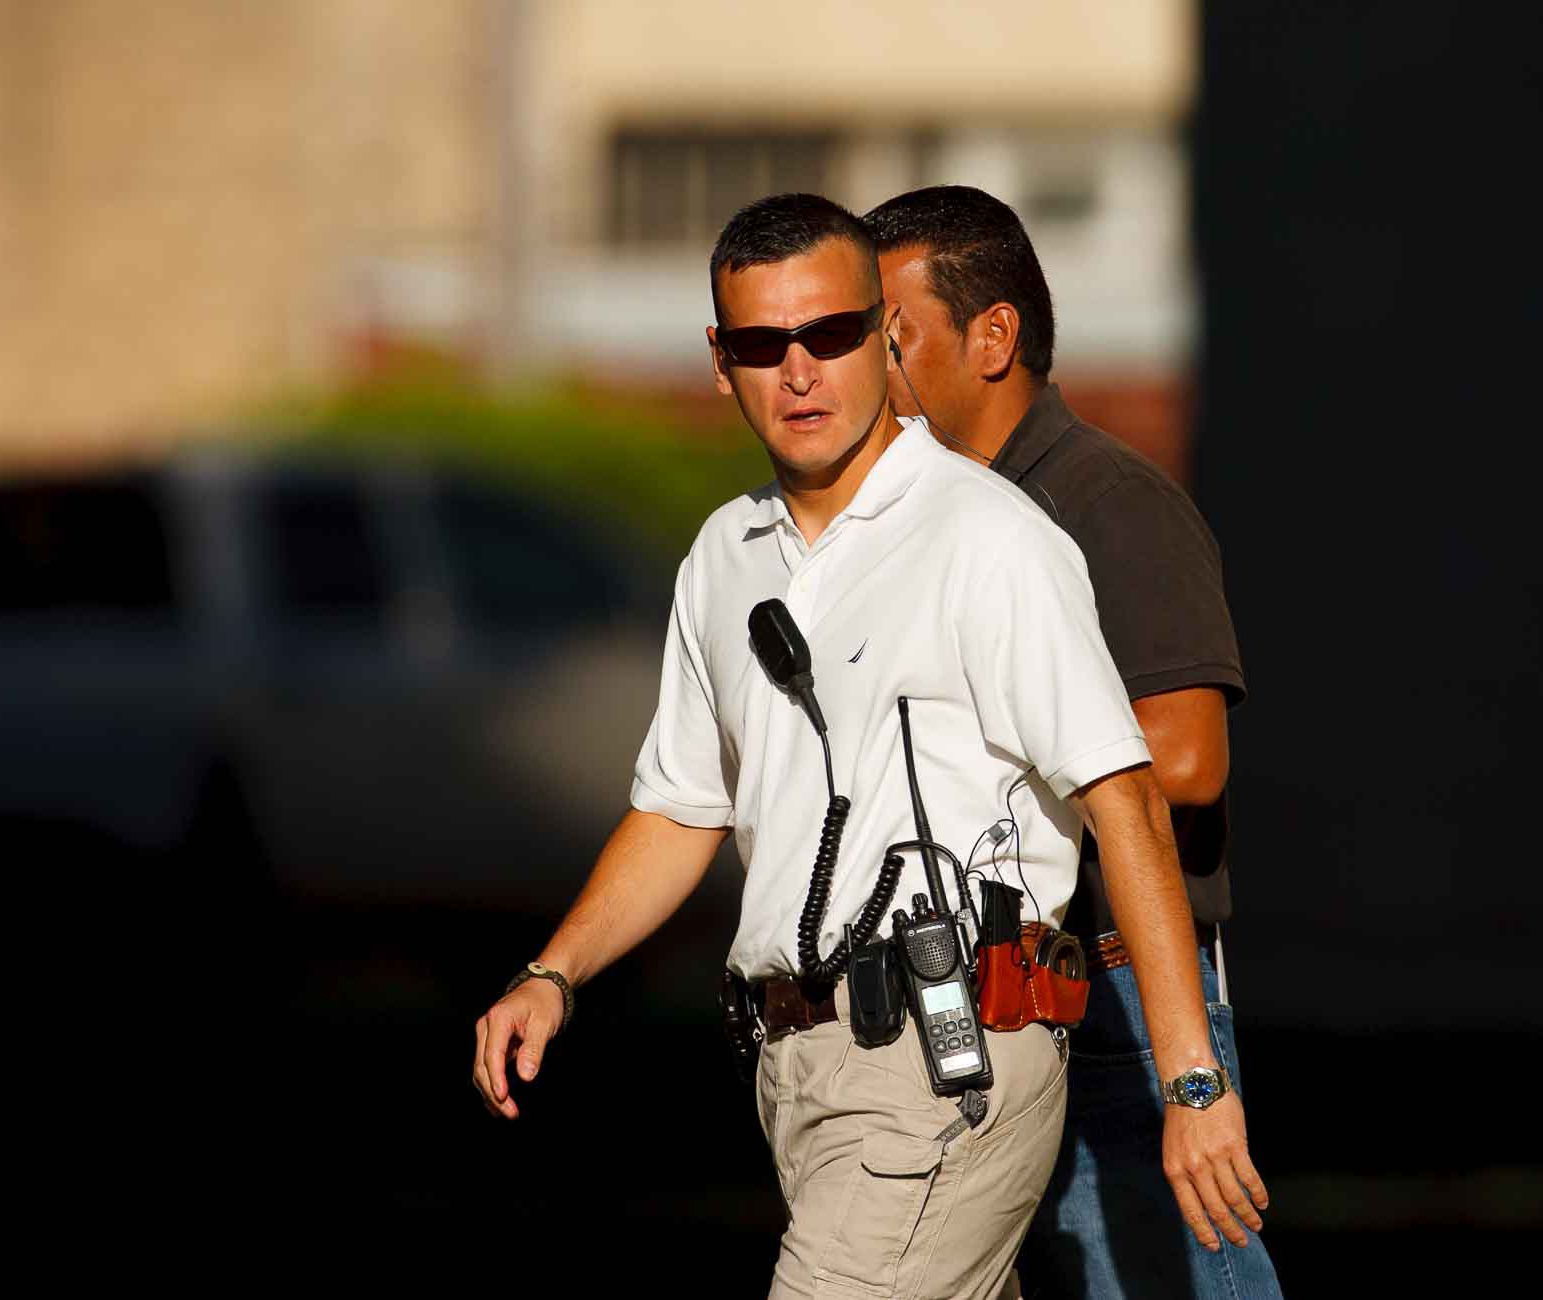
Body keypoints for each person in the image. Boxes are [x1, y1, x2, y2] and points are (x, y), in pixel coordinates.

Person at [470, 193, 1267, 1300]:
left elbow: (1127, 796)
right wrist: (553, 972)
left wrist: (1191, 1083)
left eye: (831, 334)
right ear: (720, 361)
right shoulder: (722, 557)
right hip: (794, 1072)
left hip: (953, 1064)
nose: (798, 371)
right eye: (762, 344)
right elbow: (680, 808)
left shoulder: (990, 536)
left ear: (882, 339)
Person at [863, 185, 1284, 1299]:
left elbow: (1187, 759)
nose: (863, 365)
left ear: (992, 335)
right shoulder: (934, 514)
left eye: (887, 333)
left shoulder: (1108, 501)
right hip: (979, 1005)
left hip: (1116, 1004)